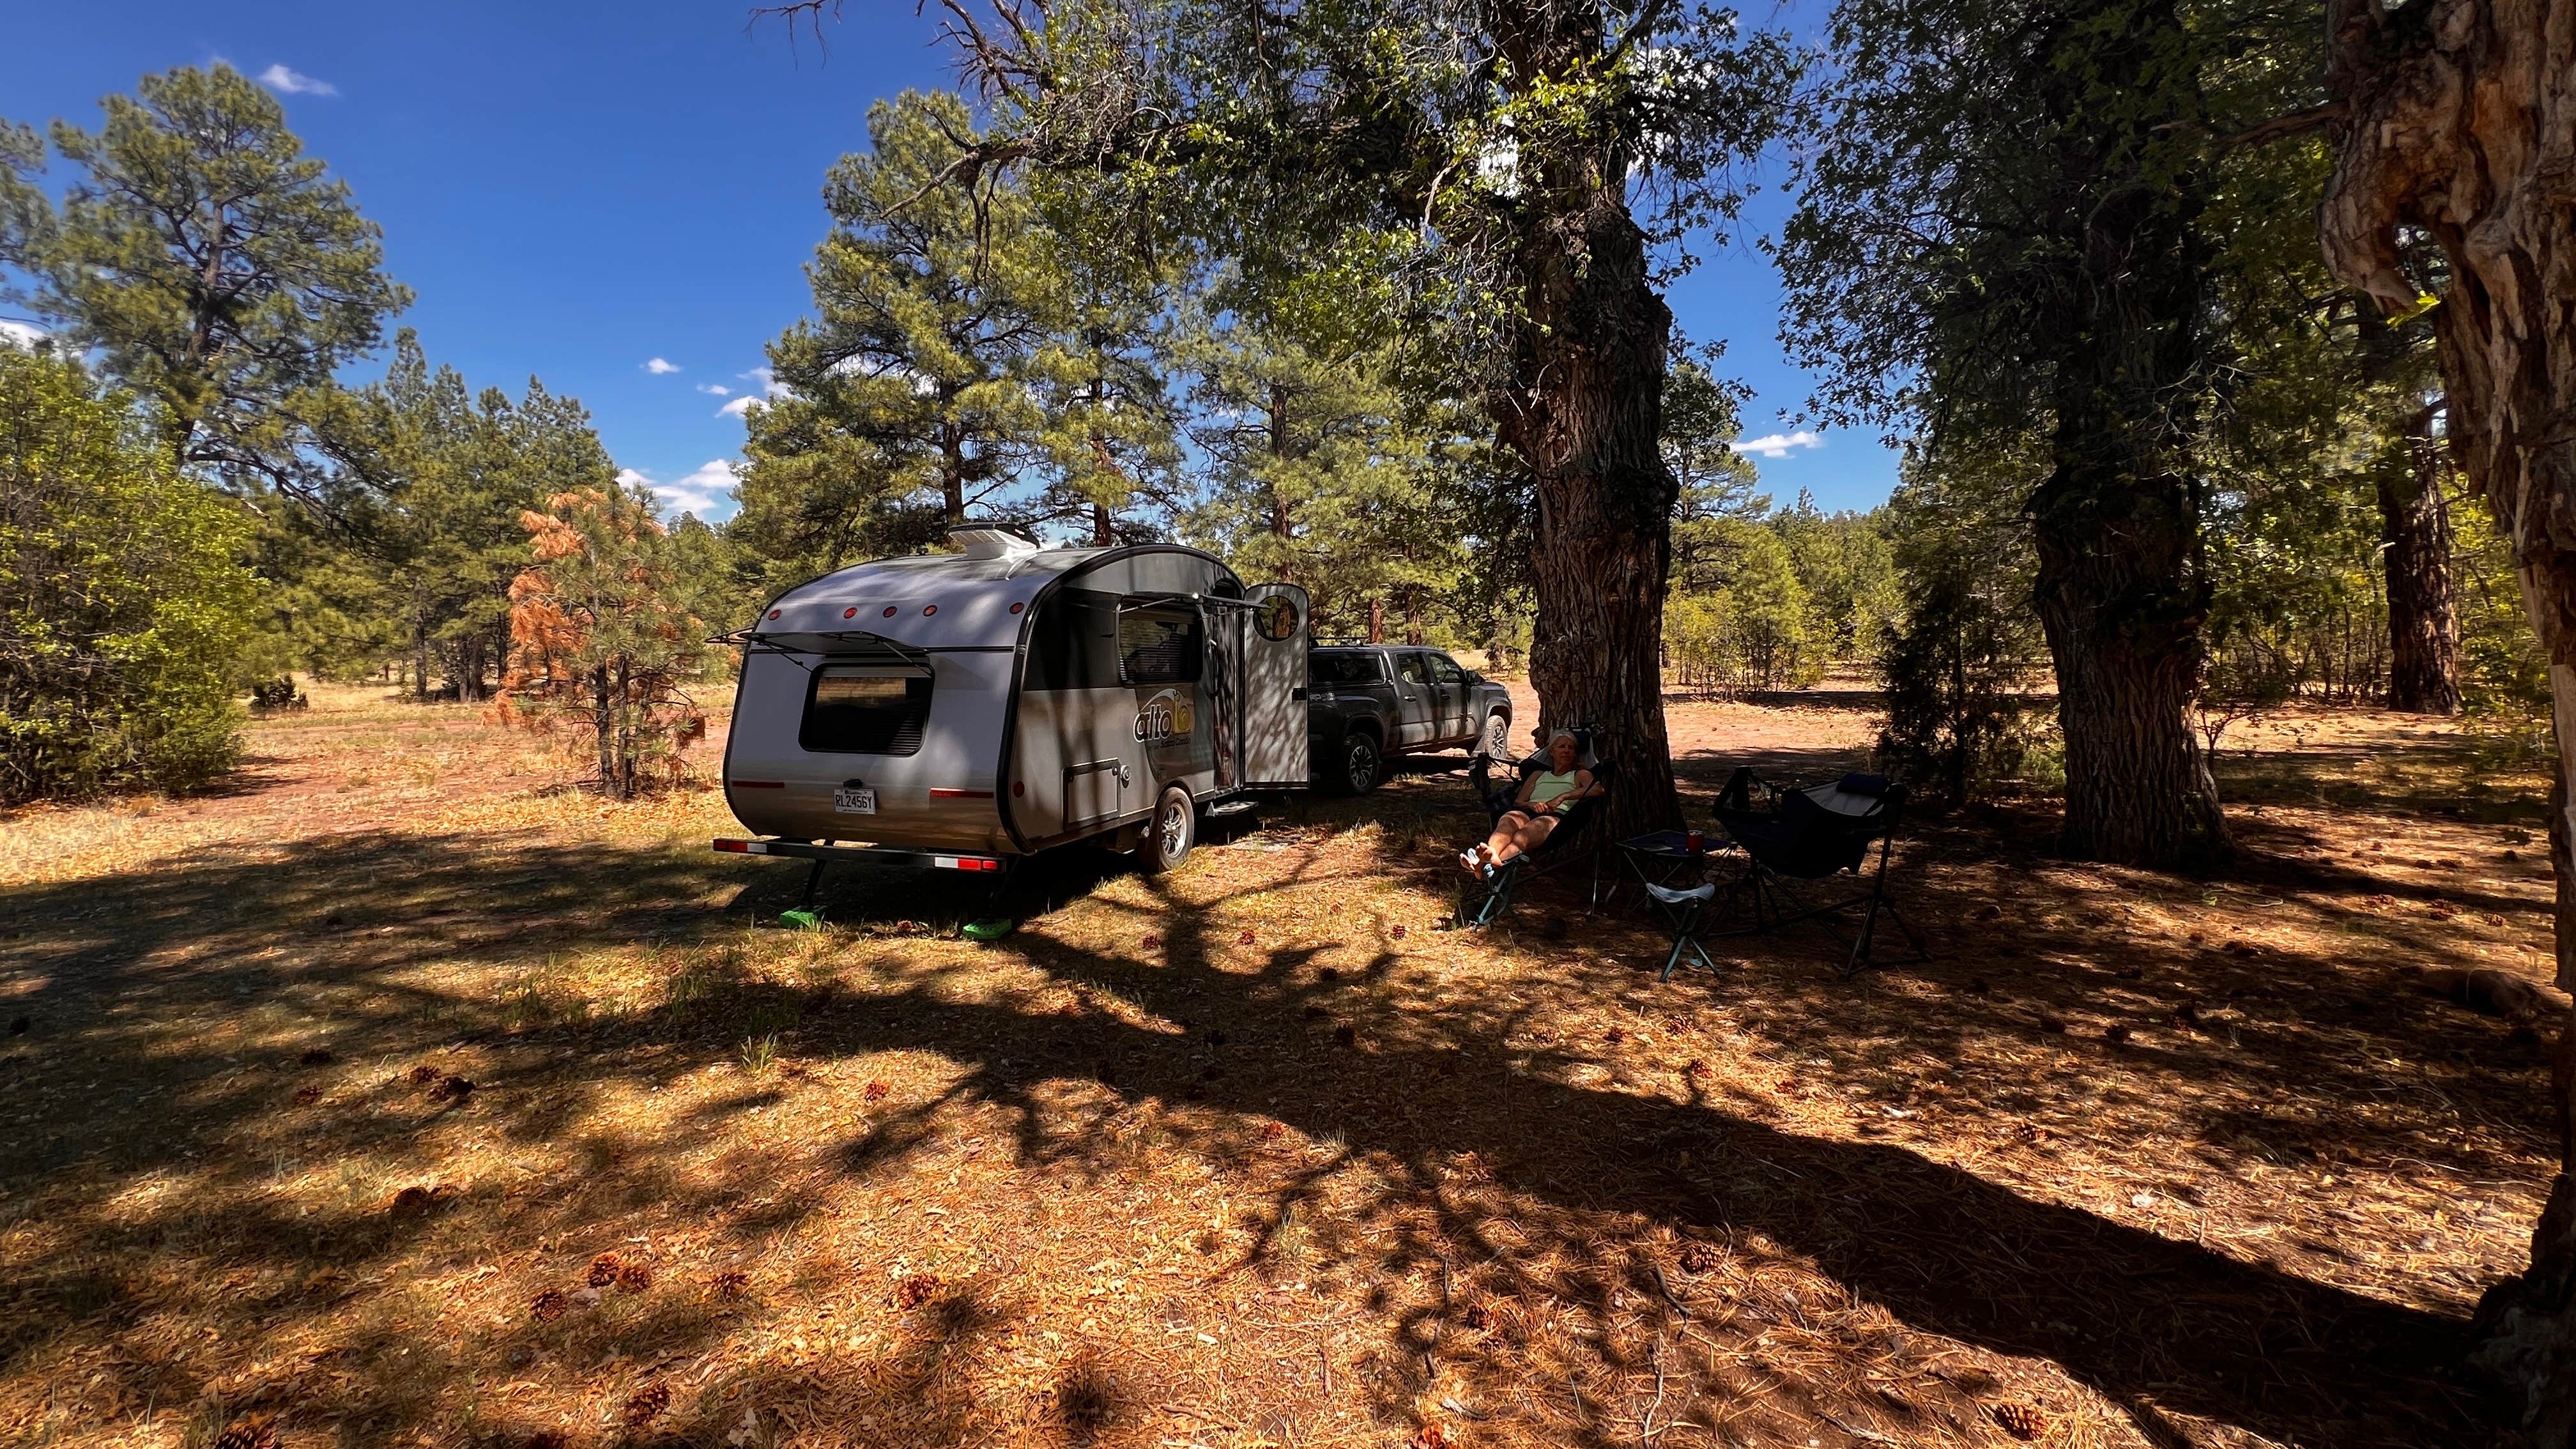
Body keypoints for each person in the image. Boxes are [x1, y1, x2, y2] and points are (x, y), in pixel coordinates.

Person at [1462, 731, 1601, 876]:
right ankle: (1490, 857)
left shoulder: (1580, 774)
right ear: (1551, 751)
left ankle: (1484, 866)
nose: (1566, 750)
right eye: (1562, 746)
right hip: (1528, 811)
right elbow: (1519, 801)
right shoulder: (1538, 775)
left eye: (1571, 748)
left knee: (1523, 835)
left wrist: (1562, 797)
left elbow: (1598, 789)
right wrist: (1532, 805)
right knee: (1507, 822)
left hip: (1556, 817)